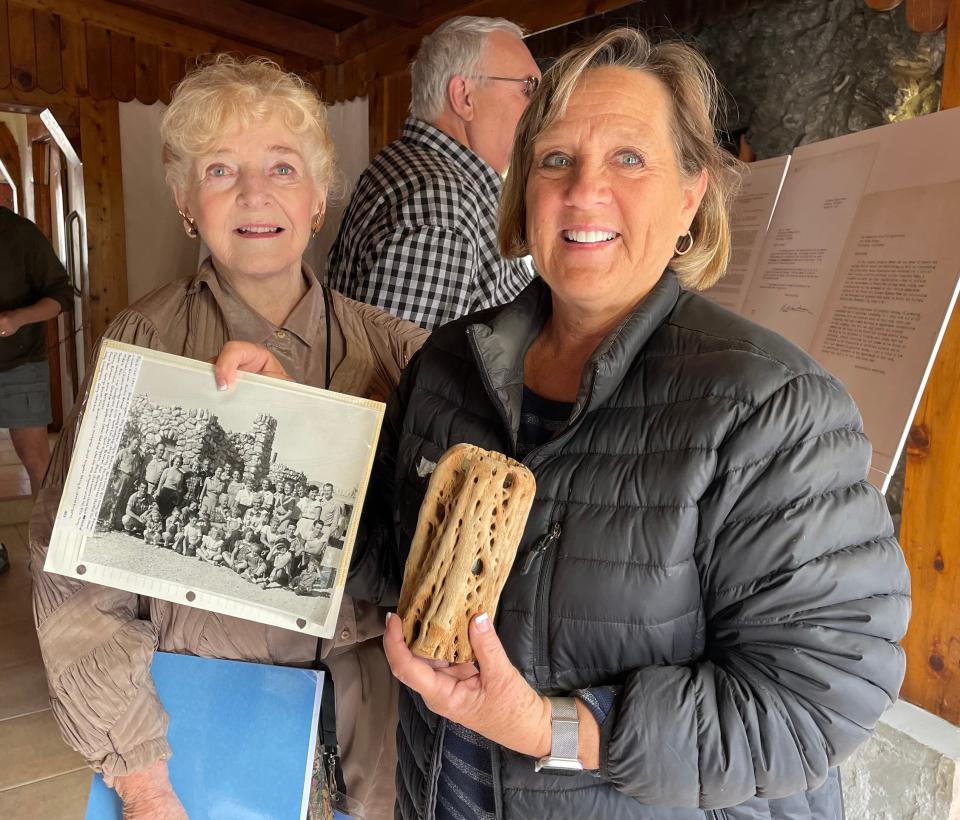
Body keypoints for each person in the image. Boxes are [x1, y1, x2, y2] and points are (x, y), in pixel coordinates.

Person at [338, 29, 910, 820]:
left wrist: (551, 727)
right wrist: (278, 417)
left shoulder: (770, 407)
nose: (584, 192)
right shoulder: (448, 367)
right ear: (523, 194)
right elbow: (384, 558)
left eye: (629, 159)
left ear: (690, 196)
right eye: (555, 160)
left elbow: (819, 699)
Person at [28, 56, 427, 820]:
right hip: (202, 741)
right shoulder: (142, 348)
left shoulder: (399, 355)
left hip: (379, 745)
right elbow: (74, 583)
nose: (254, 193)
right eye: (220, 170)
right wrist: (144, 780)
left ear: (318, 198)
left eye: (282, 166)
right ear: (185, 200)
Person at [327, 16, 539, 330]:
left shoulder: (413, 169)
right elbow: (398, 371)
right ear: (464, 97)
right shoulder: (441, 203)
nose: (541, 108)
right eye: (528, 88)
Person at [0, 206, 74, 573]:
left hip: (21, 362)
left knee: (34, 456)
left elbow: (60, 296)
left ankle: (50, 546)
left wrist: (15, 319)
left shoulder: (21, 234)